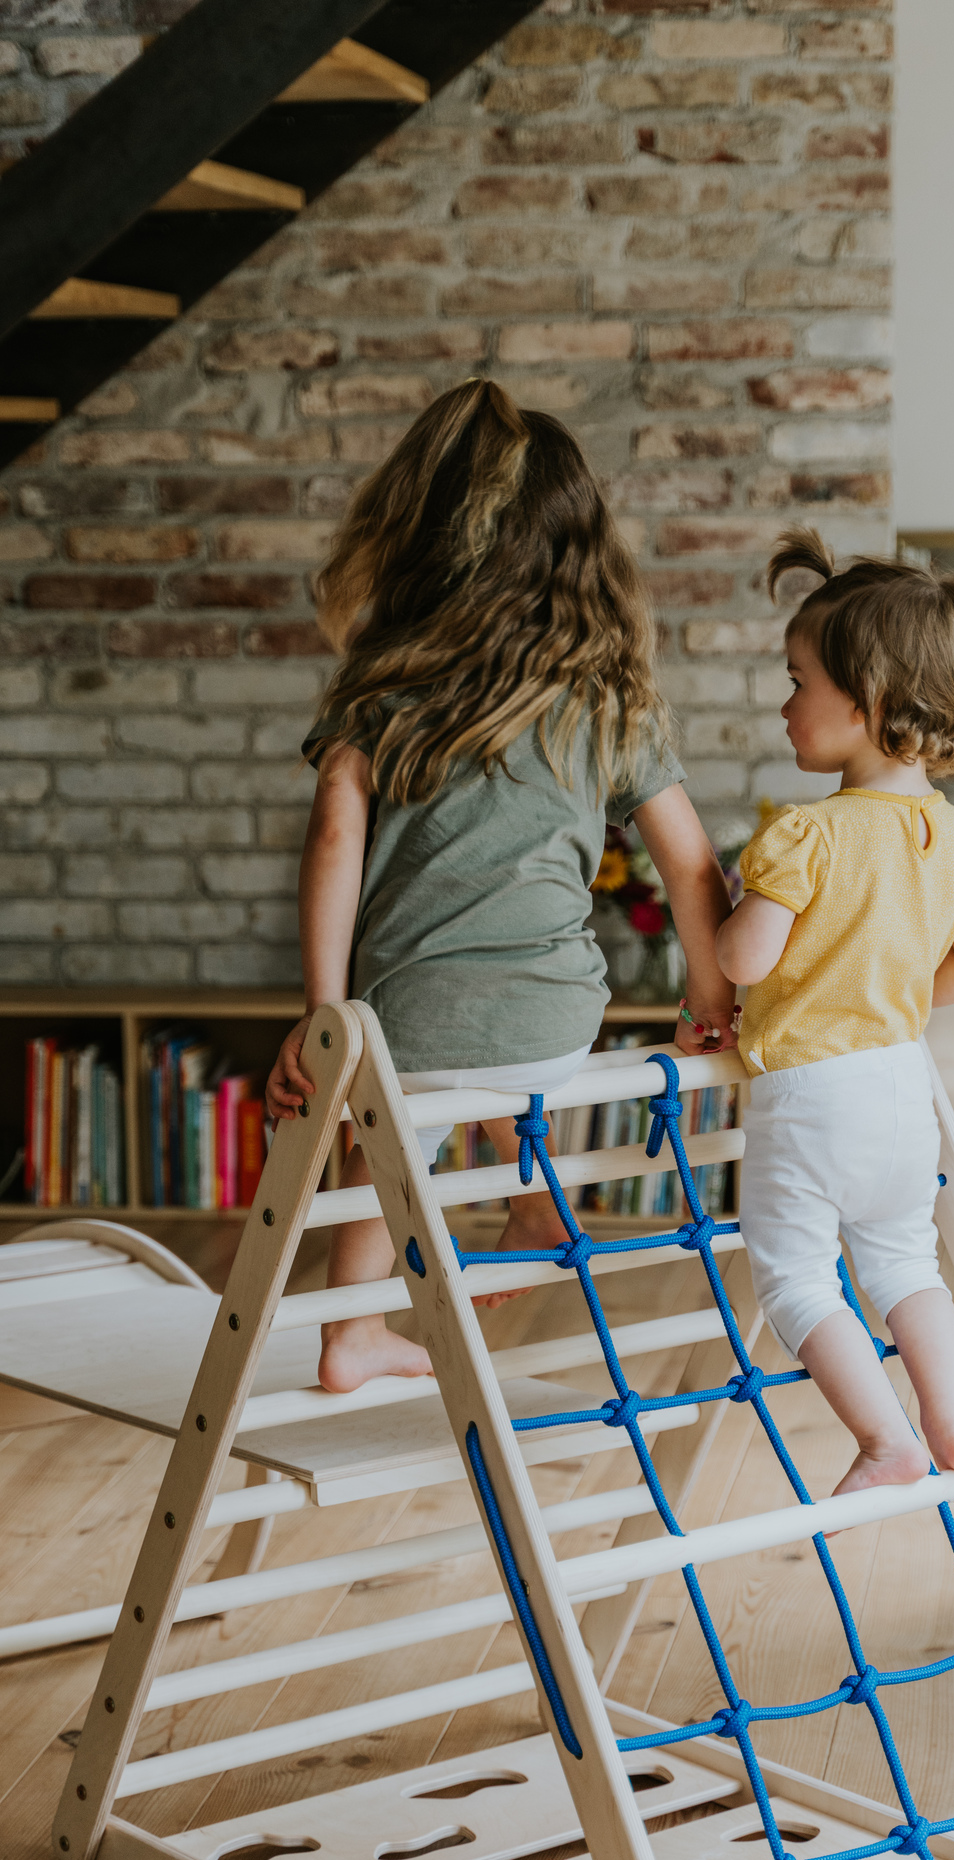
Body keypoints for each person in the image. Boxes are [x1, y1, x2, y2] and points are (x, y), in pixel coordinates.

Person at [264, 378, 738, 1393]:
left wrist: (322, 1017)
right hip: (557, 1032)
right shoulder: (608, 695)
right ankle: (535, 1202)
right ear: (579, 552)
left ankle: (351, 1334)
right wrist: (709, 996)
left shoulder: (380, 683)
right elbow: (689, 860)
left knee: (379, 1138)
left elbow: (334, 832)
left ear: (417, 540)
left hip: (408, 1036)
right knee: (502, 1054)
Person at [716, 529, 954, 1508]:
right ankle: (951, 1423)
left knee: (797, 1281)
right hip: (899, 1085)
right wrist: (894, 999)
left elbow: (741, 960)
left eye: (797, 679)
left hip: (806, 1097)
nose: (785, 700)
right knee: (900, 1264)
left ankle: (884, 1438)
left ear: (867, 702)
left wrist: (731, 903)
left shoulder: (806, 832)